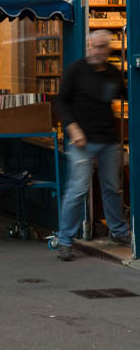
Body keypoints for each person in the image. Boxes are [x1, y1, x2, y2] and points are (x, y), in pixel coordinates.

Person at [56, 29, 131, 260]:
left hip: (108, 139)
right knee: (77, 190)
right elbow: (60, 102)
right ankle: (65, 240)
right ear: (88, 46)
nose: (97, 51)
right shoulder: (75, 71)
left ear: (109, 49)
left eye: (102, 47)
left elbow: (127, 94)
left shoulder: (113, 73)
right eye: (94, 46)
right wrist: (72, 127)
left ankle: (118, 232)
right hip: (82, 141)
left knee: (112, 188)